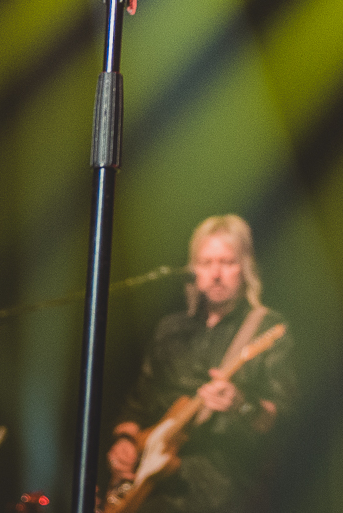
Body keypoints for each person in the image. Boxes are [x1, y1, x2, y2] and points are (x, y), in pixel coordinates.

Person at [106, 215, 295, 513]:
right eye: (206, 263)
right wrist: (126, 442)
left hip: (222, 492)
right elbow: (138, 406)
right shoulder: (170, 330)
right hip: (153, 490)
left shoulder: (265, 328)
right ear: (192, 270)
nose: (216, 273)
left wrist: (240, 403)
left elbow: (282, 420)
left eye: (227, 262)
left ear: (245, 268)